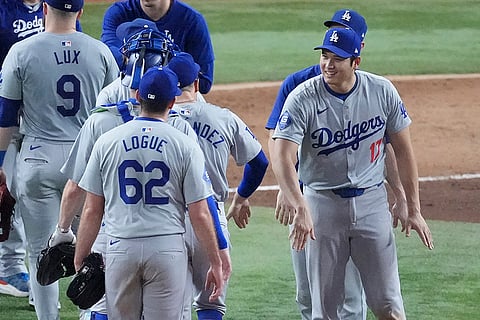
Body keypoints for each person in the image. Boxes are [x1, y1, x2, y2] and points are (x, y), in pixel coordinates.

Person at [49, 19, 230, 320]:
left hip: (117, 240)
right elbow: (201, 209)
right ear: (173, 99)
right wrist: (218, 253)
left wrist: (68, 237)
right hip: (170, 242)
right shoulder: (182, 132)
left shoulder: (103, 126)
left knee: (101, 310)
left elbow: (87, 202)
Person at [271, 27, 434, 319]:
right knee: (325, 309)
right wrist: (299, 205)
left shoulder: (382, 91)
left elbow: (404, 150)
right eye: (324, 56)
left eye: (337, 59)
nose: (328, 65)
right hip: (322, 204)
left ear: (355, 62)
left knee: (388, 304)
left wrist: (413, 206)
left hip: (372, 204)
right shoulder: (301, 97)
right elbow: (281, 154)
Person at [0, 0, 119, 317]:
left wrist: (0, 166)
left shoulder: (21, 52)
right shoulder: (101, 53)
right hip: (86, 162)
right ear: (80, 14)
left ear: (44, 11)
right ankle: (95, 314)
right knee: (93, 249)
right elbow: (116, 114)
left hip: (37, 159)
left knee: (41, 252)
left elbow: (6, 118)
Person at [169, 52, 269, 320]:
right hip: (210, 220)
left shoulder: (158, 121)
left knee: (168, 305)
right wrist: (242, 196)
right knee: (210, 303)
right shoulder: (222, 117)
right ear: (197, 84)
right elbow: (259, 162)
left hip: (166, 219)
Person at [0, 0, 81, 299]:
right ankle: (8, 268)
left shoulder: (58, 8)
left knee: (34, 196)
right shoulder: (4, 9)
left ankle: (43, 278)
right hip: (7, 114)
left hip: (42, 119)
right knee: (8, 197)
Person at [101, 0, 215, 94]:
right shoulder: (118, 13)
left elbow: (204, 81)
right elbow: (110, 59)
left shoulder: (192, 19)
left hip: (175, 98)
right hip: (128, 91)